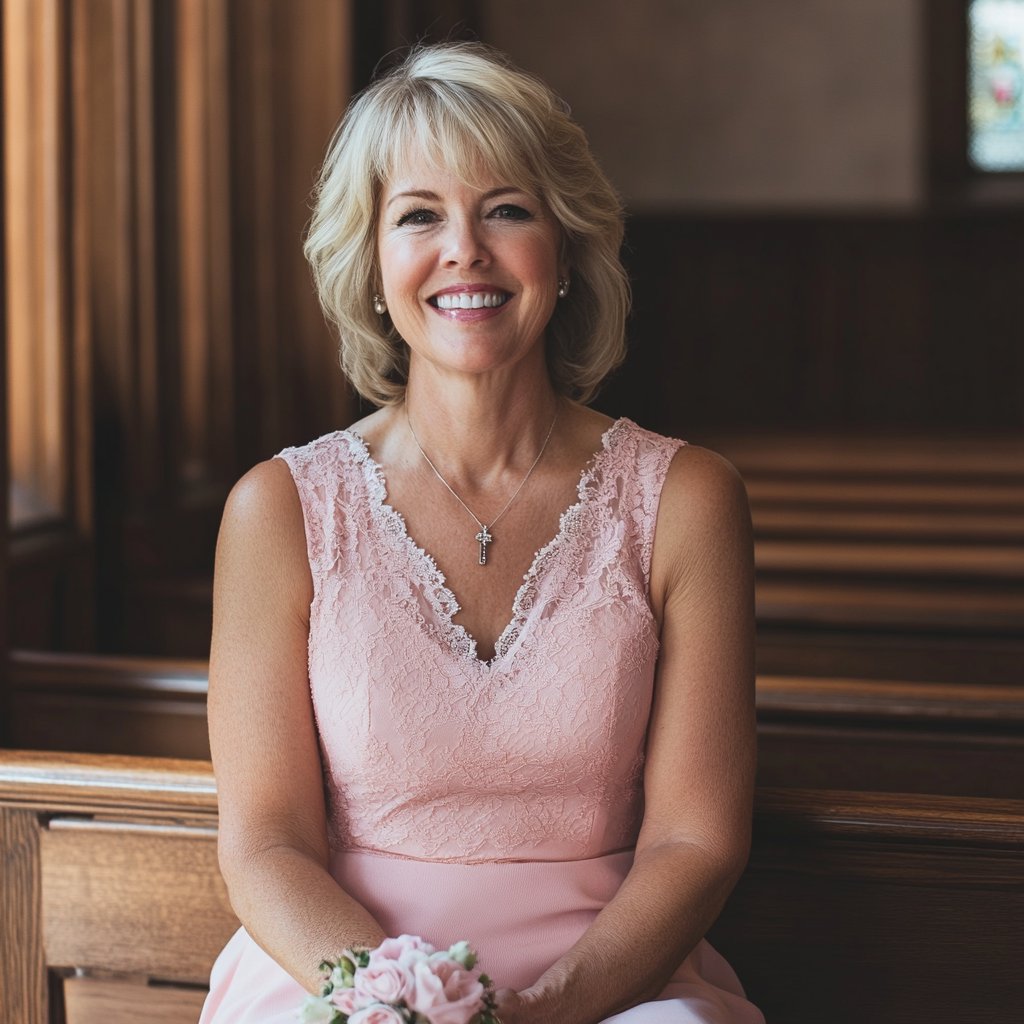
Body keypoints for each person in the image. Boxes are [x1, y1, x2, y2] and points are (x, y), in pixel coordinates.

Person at [198, 42, 763, 1024]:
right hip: (341, 978)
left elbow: (696, 841)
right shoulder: (278, 510)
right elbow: (266, 844)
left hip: (611, 984)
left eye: (506, 209)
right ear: (373, 263)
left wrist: (535, 1015)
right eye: (419, 215)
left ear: (565, 250)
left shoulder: (687, 500)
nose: (464, 249)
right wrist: (402, 1004)